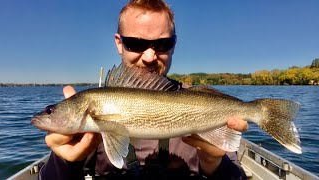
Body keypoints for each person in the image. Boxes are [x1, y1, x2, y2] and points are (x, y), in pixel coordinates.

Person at [40, 0, 249, 179]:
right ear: (119, 43)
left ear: (174, 44)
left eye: (163, 44)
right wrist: (64, 161)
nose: (149, 57)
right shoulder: (86, 123)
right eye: (135, 43)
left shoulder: (203, 103)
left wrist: (213, 163)